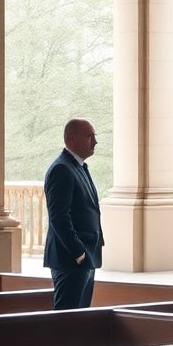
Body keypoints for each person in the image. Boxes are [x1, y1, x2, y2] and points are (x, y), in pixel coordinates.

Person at [43, 118, 105, 309]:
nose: (95, 141)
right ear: (71, 139)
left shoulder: (77, 167)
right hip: (71, 260)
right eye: (89, 136)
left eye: (95, 136)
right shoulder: (61, 169)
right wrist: (78, 252)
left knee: (79, 318)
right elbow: (59, 217)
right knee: (66, 319)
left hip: (85, 257)